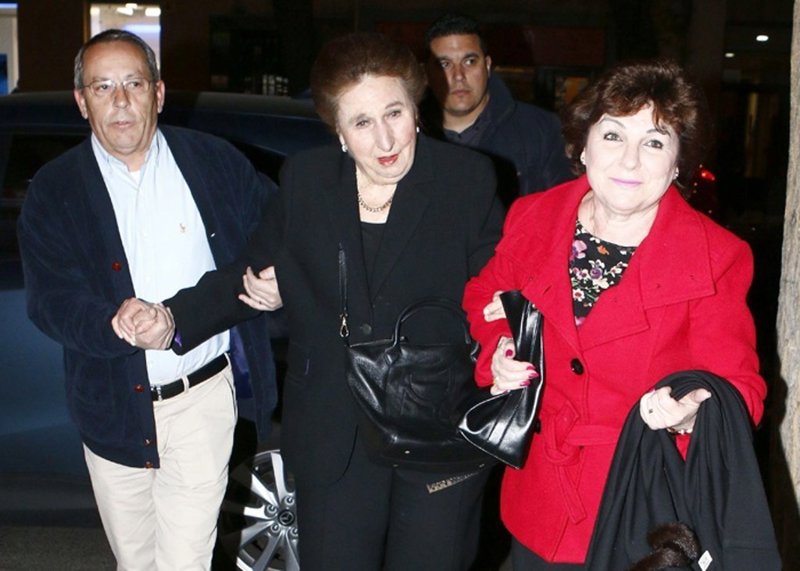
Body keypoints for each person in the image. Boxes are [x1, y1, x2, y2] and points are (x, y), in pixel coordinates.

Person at [113, 32, 505, 570]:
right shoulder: (308, 181)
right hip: (333, 431)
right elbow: (246, 275)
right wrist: (172, 317)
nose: (385, 138)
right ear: (338, 131)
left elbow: (498, 287)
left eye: (394, 113)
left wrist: (505, 343)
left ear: (416, 109)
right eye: (361, 123)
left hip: (439, 428)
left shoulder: (465, 180)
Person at [462, 59, 768, 568]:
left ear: (678, 163)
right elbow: (484, 296)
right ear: (583, 147)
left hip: (640, 507)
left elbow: (741, 391)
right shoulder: (534, 216)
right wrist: (499, 349)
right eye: (612, 135)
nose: (630, 160)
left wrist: (693, 413)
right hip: (539, 499)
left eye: (654, 142)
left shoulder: (716, 256)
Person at [17, 29, 278, 570]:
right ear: (82, 101)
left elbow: (278, 232)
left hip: (201, 402)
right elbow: (49, 299)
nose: (119, 100)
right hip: (110, 408)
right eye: (102, 87)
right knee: (136, 562)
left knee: (184, 562)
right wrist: (110, 322)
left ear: (158, 93)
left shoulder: (213, 162)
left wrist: (275, 283)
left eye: (133, 84)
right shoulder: (54, 189)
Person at [422, 13, 573, 205]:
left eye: (469, 61)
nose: (458, 75)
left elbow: (563, 206)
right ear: (427, 73)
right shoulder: (407, 136)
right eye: (444, 64)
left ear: (487, 65)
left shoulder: (542, 130)